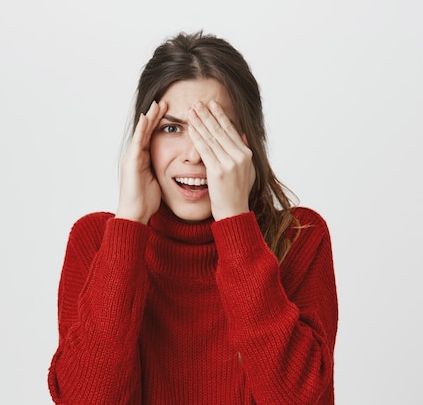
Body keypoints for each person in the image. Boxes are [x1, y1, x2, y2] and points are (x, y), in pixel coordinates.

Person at [48, 31, 338, 405]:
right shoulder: (96, 240)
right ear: (144, 140)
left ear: (248, 141)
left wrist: (235, 223)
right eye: (172, 128)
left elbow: (296, 398)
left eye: (216, 129)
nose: (194, 154)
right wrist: (129, 228)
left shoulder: (298, 236)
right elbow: (85, 398)